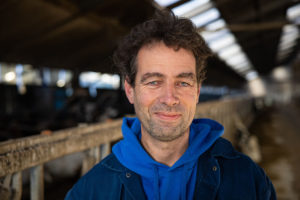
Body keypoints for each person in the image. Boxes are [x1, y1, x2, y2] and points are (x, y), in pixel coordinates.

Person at [65, 10, 276, 200]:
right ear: (130, 90)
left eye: (183, 82)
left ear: (197, 91)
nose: (169, 98)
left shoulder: (248, 180)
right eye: (154, 82)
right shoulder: (90, 192)